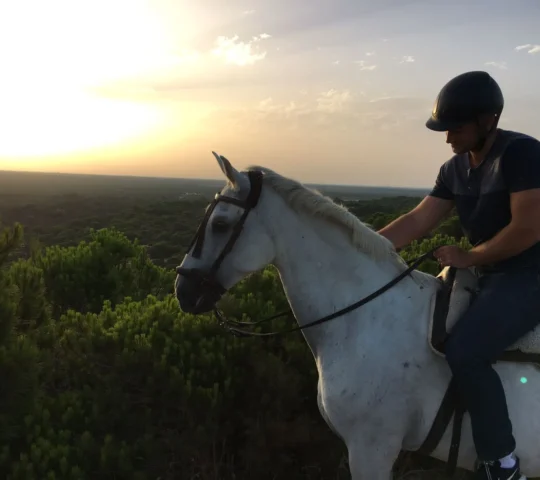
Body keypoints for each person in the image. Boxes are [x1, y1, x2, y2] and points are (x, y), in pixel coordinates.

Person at [378, 70, 540, 480]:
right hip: (486, 271)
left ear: (488, 121)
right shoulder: (454, 168)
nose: (448, 137)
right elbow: (418, 221)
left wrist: (469, 256)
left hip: (528, 273)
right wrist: (359, 249)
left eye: (456, 127)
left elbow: (528, 229)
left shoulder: (522, 154)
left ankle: (502, 463)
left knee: (466, 351)